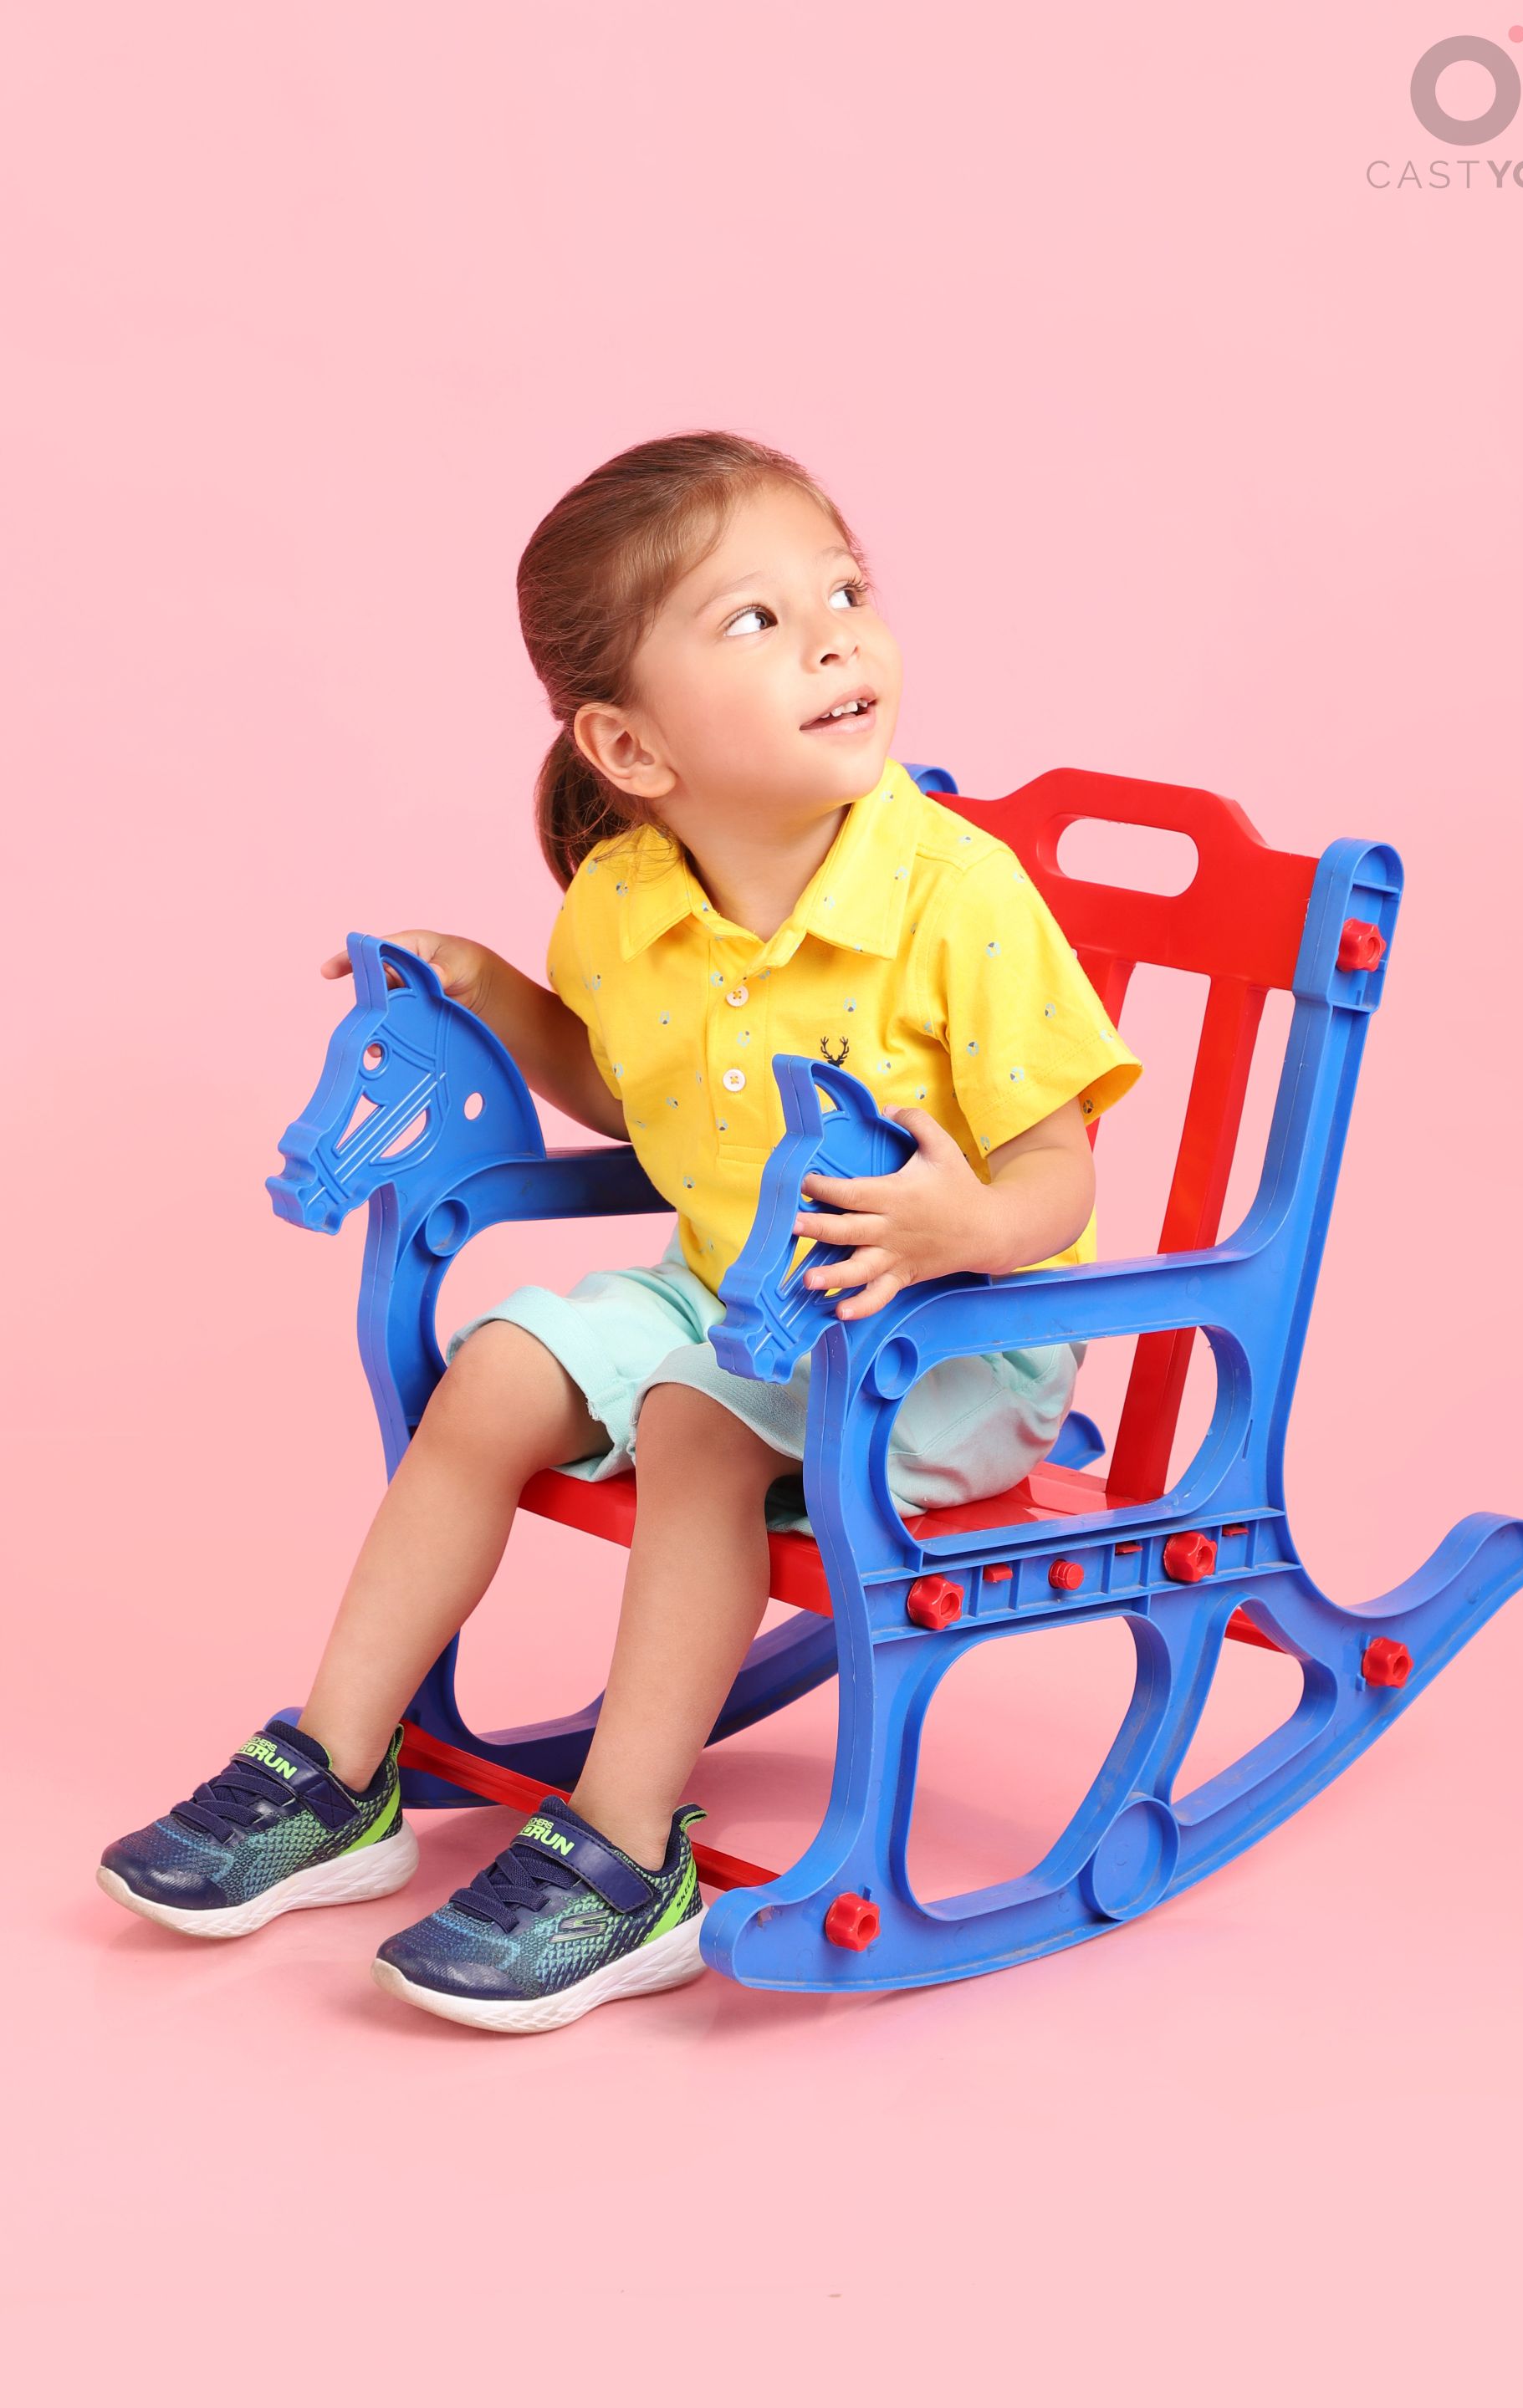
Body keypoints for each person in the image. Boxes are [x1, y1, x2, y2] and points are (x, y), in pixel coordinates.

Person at [98, 431, 1143, 2033]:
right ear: (630, 746)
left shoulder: (960, 900)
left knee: (691, 1423)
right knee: (498, 1372)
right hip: (729, 1294)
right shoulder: (628, 897)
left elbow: (1057, 1177)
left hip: (948, 1342)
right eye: (759, 620)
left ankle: (627, 1852)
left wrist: (960, 1223)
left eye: (846, 592)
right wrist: (495, 992)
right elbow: (630, 1093)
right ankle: (336, 1772)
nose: (836, 639)